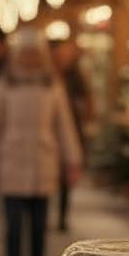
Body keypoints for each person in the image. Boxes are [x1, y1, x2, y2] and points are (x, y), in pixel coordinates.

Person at [0, 26, 83, 256]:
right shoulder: (4, 86)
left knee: (38, 227)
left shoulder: (52, 86)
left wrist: (72, 160)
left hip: (42, 163)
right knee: (13, 226)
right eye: (25, 55)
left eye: (34, 55)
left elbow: (64, 125)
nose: (29, 60)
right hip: (11, 163)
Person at [51, 36, 94, 233]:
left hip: (71, 127)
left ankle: (62, 216)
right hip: (50, 130)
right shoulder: (47, 75)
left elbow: (85, 97)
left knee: (66, 176)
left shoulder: (75, 75)